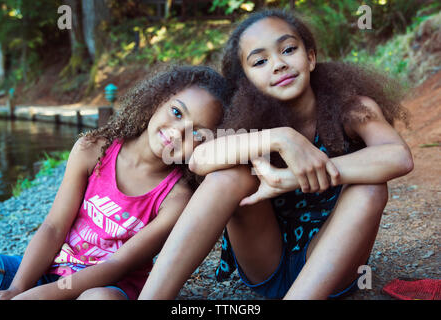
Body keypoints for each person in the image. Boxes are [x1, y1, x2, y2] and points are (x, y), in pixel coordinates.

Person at [138, 9, 414, 300]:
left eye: (288, 49)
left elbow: (399, 157)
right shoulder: (247, 120)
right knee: (228, 174)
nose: (279, 64)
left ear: (310, 57)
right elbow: (200, 159)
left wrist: (291, 177)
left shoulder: (351, 106)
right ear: (245, 80)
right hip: (264, 260)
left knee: (370, 187)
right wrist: (282, 138)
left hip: (333, 267)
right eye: (260, 61)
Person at [0, 65, 229, 300]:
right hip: (55, 270)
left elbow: (118, 264)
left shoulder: (176, 197)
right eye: (177, 113)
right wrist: (18, 289)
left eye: (197, 133)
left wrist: (42, 296)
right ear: (158, 100)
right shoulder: (92, 149)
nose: (179, 133)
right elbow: (53, 227)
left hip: (109, 285)